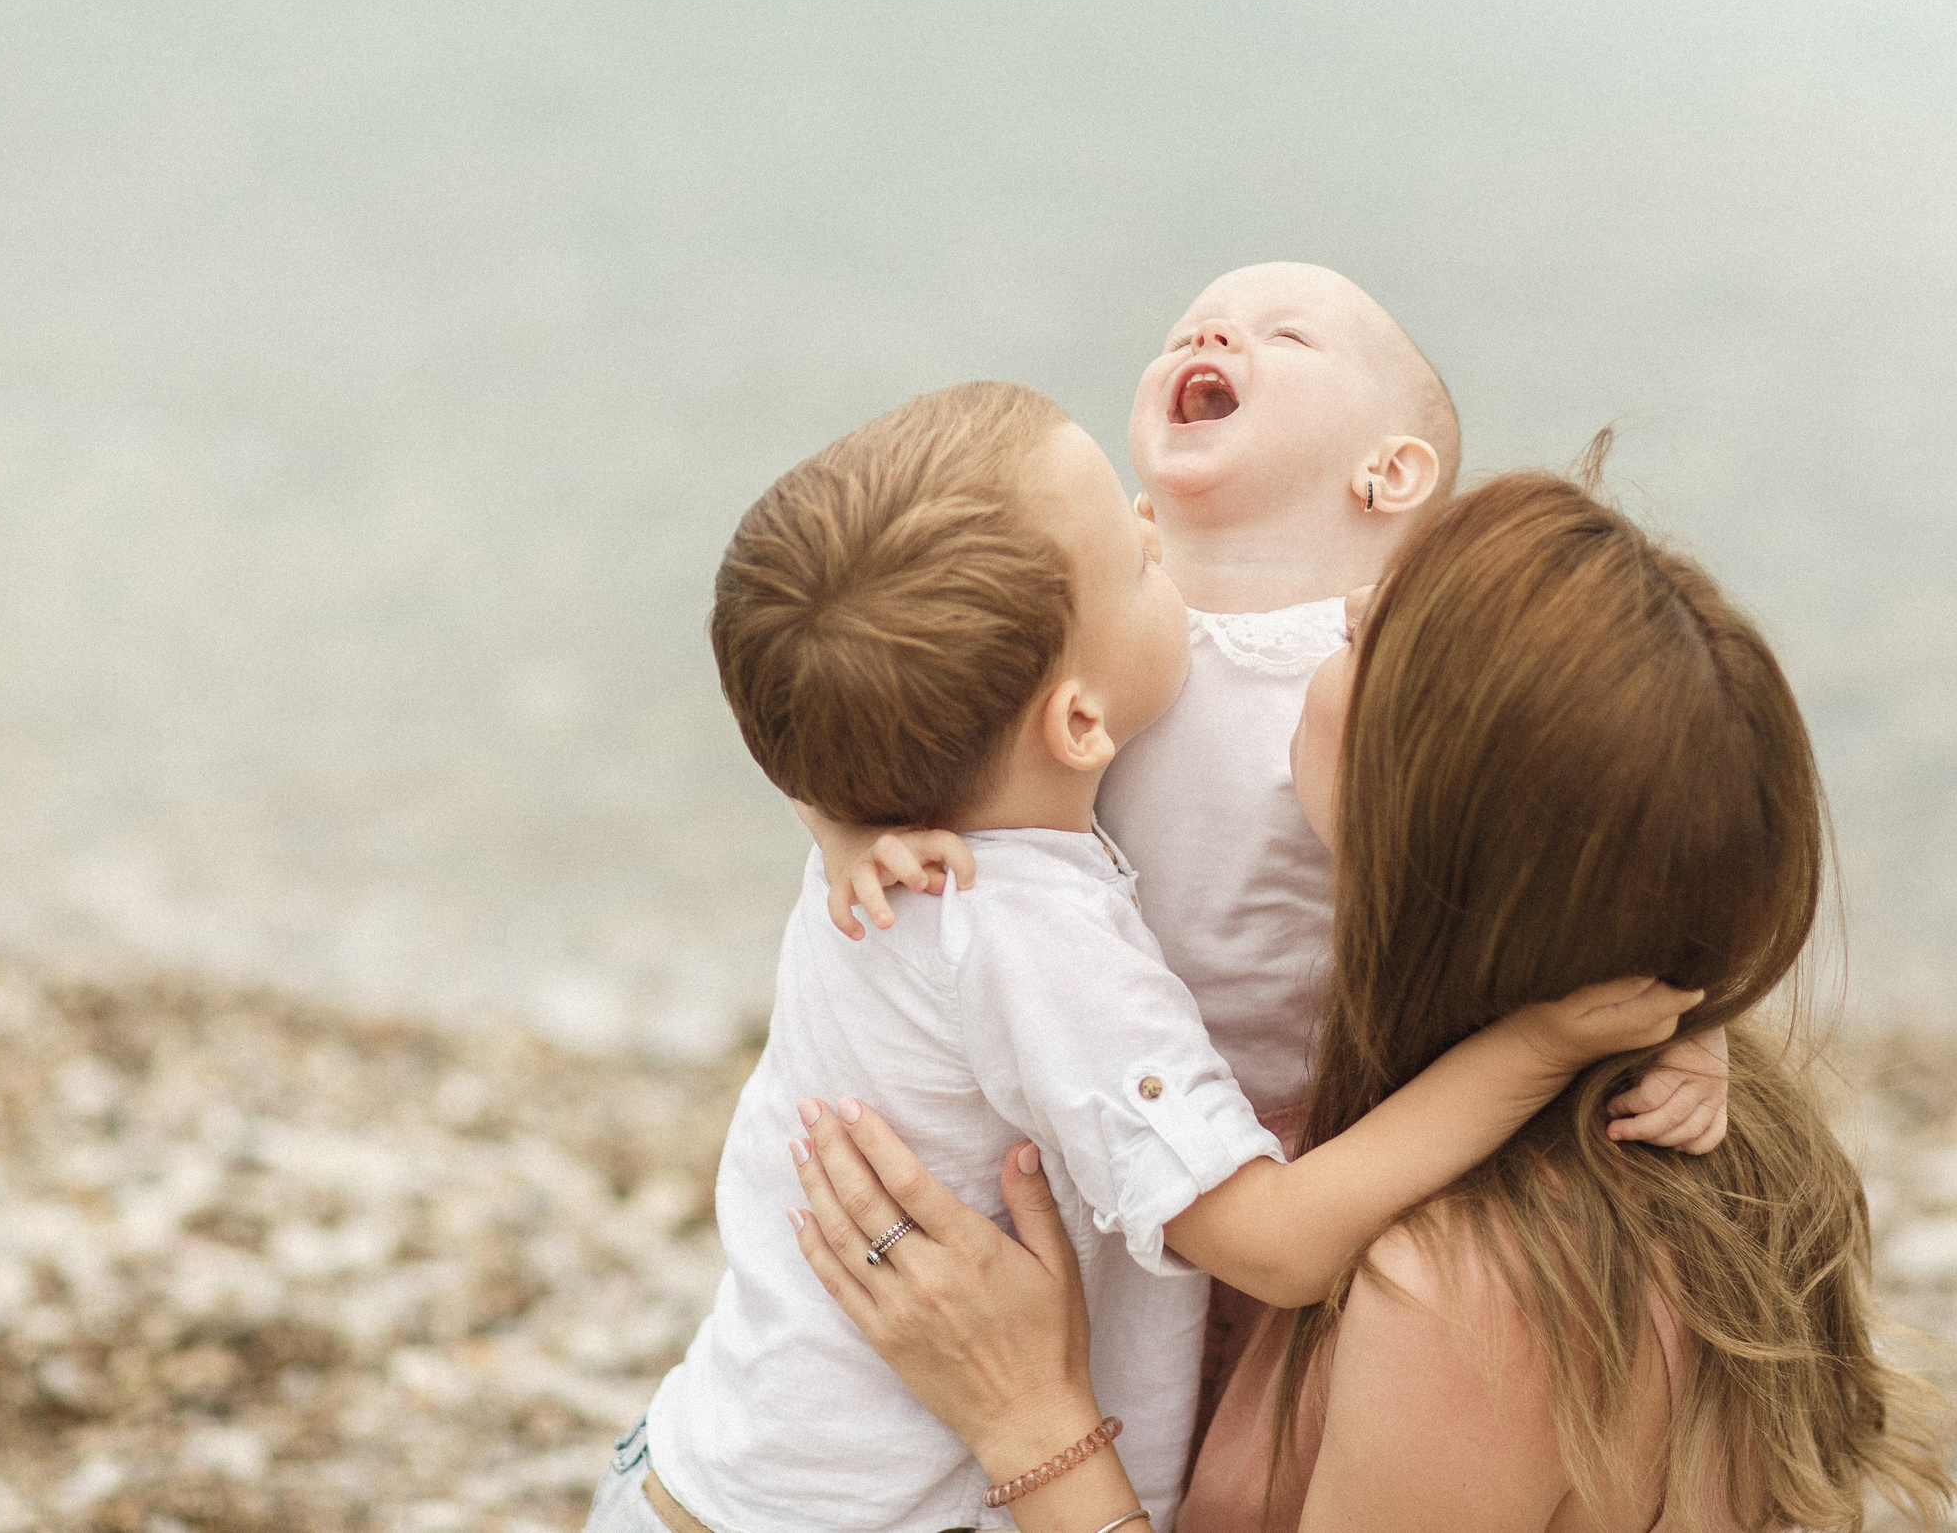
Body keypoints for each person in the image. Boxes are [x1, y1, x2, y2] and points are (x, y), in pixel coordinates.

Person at [600, 385, 1706, 1533]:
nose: (1151, 525)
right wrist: (1539, 1044)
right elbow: (1273, 1246)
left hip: (703, 1464)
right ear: (1079, 728)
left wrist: (828, 824)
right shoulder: (1036, 941)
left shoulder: (889, 819)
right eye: (1136, 564)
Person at [791, 458, 1957, 1532]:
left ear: (1424, 835)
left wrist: (1026, 1421)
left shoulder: (1461, 1296)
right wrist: (846, 813)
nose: (1339, 610)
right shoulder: (1671, 1070)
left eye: (1375, 635)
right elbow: (899, 676)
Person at [803, 266, 1730, 1438]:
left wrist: (1696, 1026)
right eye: (1191, 325)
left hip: (1311, 1134)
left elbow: (1577, 840)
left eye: (1284, 334)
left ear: (1389, 473)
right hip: (1105, 1101)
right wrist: (845, 821)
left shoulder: (1392, 655)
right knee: (1134, 1393)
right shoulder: (1096, 608)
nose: (1212, 329)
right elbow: (852, 666)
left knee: (1248, 1425)